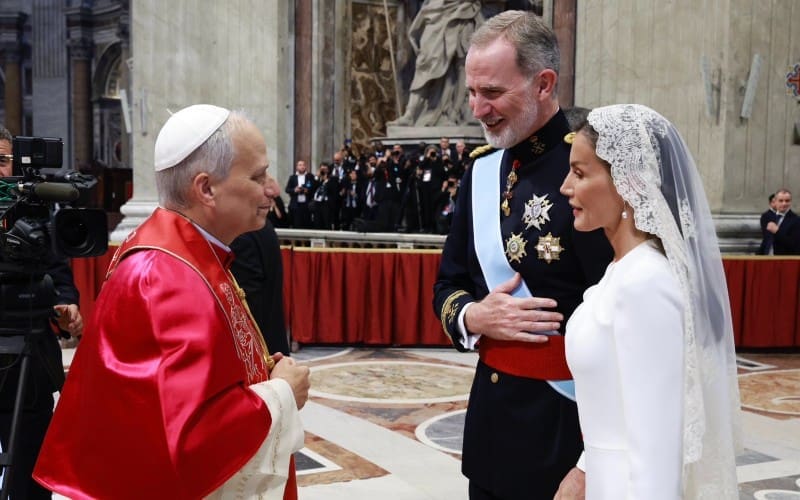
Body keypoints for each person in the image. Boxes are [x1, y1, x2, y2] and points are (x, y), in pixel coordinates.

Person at [33, 105, 310, 499]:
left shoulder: (187, 252)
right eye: (258, 175)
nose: (273, 188)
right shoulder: (168, 275)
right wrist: (283, 393)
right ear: (206, 189)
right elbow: (192, 441)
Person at [432, 11, 612, 499]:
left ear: (544, 84)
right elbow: (448, 285)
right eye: (472, 92)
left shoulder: (594, 172)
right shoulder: (482, 172)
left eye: (491, 93)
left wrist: (590, 463)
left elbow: (625, 323)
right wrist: (474, 315)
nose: (477, 108)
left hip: (564, 429)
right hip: (491, 427)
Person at [559, 104, 741, 498]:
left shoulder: (645, 282)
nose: (565, 188)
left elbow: (656, 446)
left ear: (627, 182)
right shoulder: (622, 271)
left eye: (579, 173)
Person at [0, 126, 84, 500]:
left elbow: (60, 276)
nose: (2, 171)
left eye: (6, 161)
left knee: (30, 469)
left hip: (30, 361)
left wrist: (68, 306)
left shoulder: (34, 209)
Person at [390, 0, 484, 127]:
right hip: (436, 11)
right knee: (425, 65)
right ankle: (410, 113)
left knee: (460, 69)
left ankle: (455, 113)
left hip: (462, 11)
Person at [231, 175, 291, 357]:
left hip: (258, 356)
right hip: (271, 347)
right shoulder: (259, 226)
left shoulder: (241, 234)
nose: (273, 190)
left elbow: (247, 312)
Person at [764, 189, 800, 255]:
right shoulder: (769, 217)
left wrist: (777, 232)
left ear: (790, 202)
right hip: (767, 258)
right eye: (781, 201)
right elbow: (767, 240)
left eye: (787, 201)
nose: (784, 203)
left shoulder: (796, 220)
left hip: (784, 259)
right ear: (775, 202)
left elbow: (794, 244)